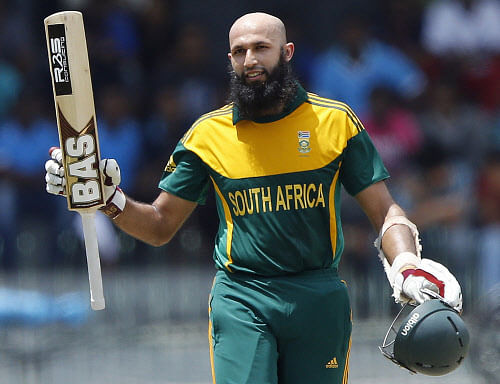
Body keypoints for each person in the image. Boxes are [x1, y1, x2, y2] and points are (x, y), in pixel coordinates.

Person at [45, 12, 462, 384]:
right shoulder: (207, 136)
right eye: (239, 51)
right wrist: (106, 197)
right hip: (242, 295)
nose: (250, 60)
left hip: (318, 295)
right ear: (229, 60)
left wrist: (407, 263)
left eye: (262, 48)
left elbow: (385, 210)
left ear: (287, 52)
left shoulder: (336, 123)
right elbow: (158, 226)